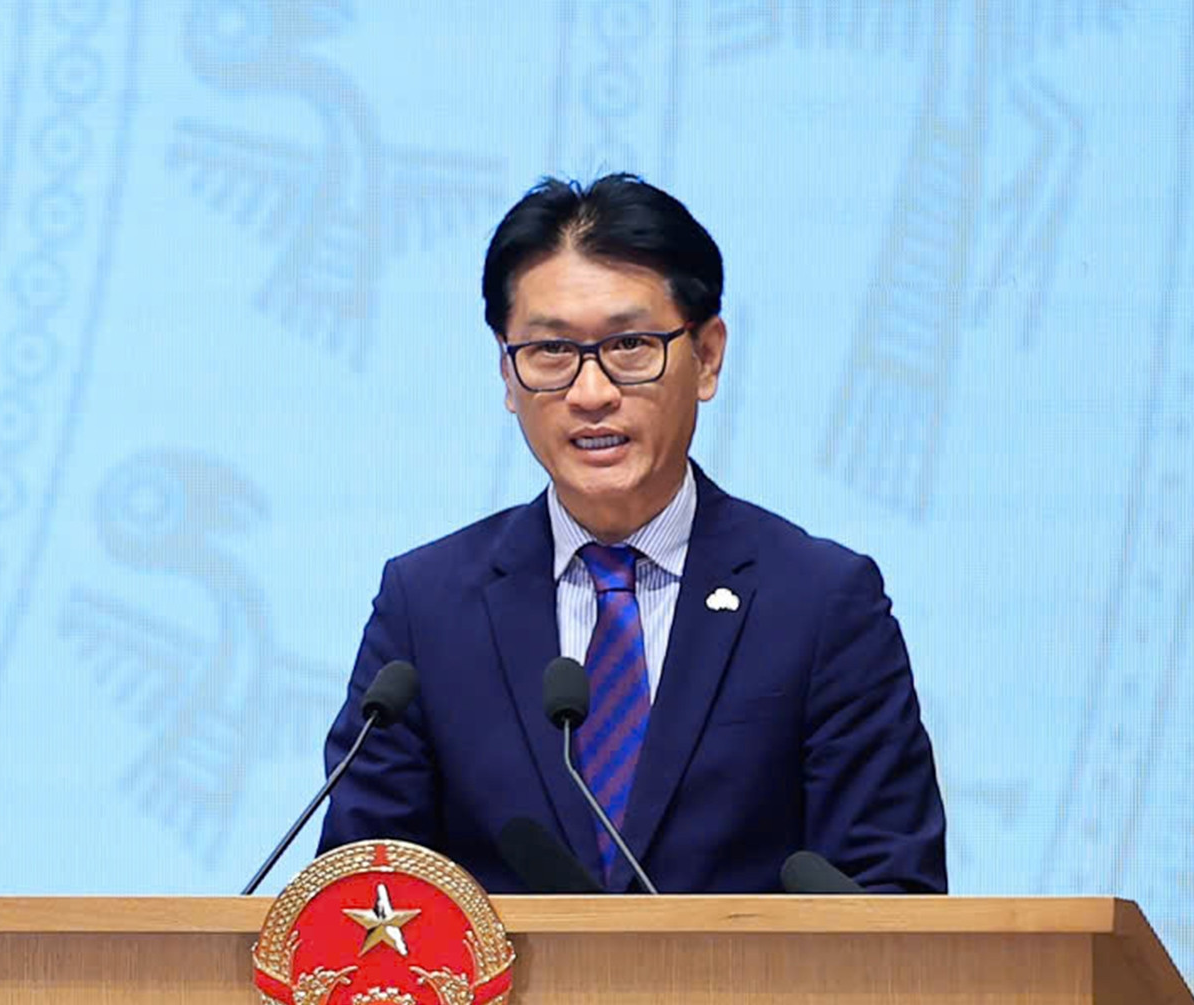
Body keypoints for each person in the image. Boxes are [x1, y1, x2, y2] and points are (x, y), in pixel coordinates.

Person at [317, 174, 946, 893]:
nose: (592, 393)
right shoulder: (427, 606)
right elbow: (357, 899)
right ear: (507, 373)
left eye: (631, 345)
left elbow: (890, 897)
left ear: (707, 356)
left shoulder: (820, 603)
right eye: (551, 351)